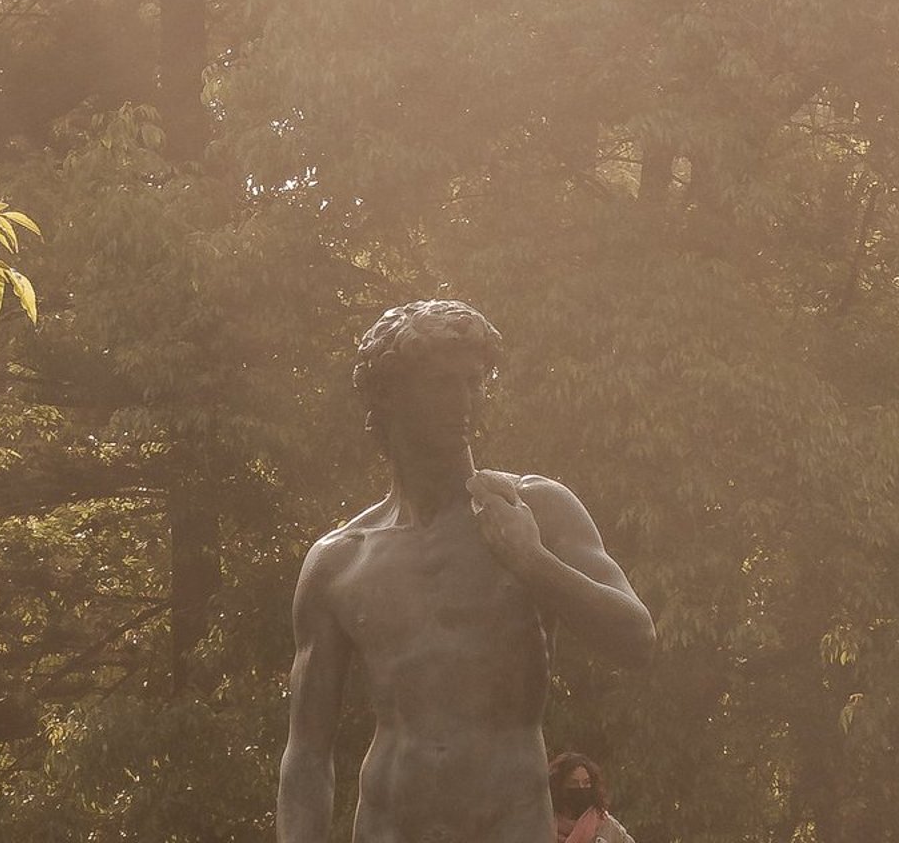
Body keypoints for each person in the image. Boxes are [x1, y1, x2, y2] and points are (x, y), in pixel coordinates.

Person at [276, 298, 654, 843]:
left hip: (508, 827)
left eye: (474, 381)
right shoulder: (340, 560)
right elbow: (308, 753)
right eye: (440, 383)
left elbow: (637, 639)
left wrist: (531, 561)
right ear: (388, 395)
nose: (465, 402)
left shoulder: (536, 510)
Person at [549, 751, 634, 843]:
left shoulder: (608, 827)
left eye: (586, 783)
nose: (581, 788)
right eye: (573, 783)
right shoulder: (545, 826)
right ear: (559, 787)